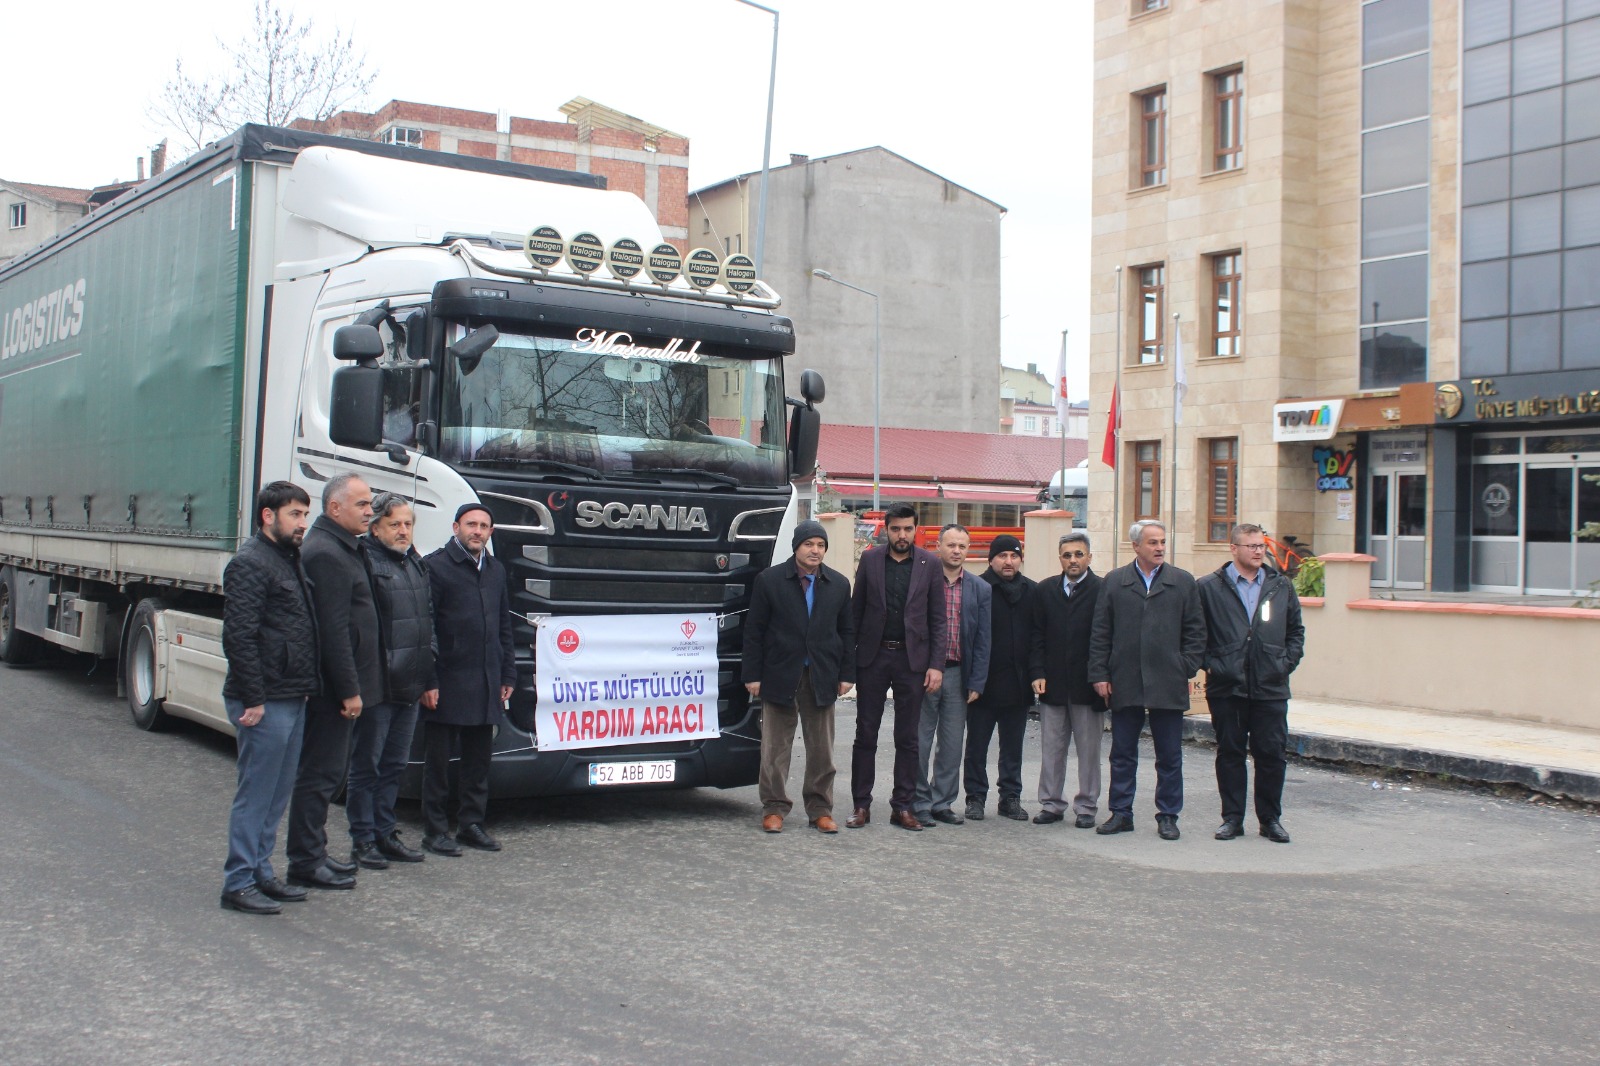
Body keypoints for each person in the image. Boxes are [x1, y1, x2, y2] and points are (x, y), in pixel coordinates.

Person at [219, 481, 318, 915]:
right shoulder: (250, 563)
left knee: (278, 793)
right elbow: (238, 636)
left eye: (304, 514)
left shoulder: (287, 558)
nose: (303, 523)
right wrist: (253, 698)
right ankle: (238, 882)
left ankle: (261, 871)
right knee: (256, 794)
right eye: (295, 514)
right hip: (263, 700)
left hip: (291, 694)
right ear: (267, 515)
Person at [285, 474, 378, 891]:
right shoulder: (326, 554)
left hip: (344, 685)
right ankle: (305, 860)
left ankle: (315, 853)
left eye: (370, 504)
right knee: (320, 774)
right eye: (361, 505)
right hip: (332, 690)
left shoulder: (345, 548)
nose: (369, 512)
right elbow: (333, 631)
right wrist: (349, 689)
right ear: (335, 508)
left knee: (327, 772)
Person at [1087, 520, 1206, 841]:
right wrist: (1100, 673)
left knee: (1169, 755)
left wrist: (1184, 666)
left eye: (1162, 542)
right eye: (1152, 542)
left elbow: (1196, 633)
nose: (1159, 548)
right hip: (1125, 679)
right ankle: (1121, 812)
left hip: (1168, 681)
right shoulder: (1115, 582)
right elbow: (1100, 633)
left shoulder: (1182, 582)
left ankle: (1168, 815)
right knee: (1123, 753)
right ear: (1136, 546)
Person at [742, 520, 856, 834]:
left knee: (822, 750)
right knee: (775, 749)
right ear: (797, 547)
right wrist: (752, 674)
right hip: (779, 674)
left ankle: (820, 809)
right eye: (809, 544)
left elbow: (847, 631)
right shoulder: (770, 580)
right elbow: (754, 631)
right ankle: (774, 808)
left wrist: (847, 673)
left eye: (820, 545)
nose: (815, 551)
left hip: (822, 676)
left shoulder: (839, 584)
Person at [1196, 523, 1306, 843]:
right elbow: (1195, 635)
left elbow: (1295, 632)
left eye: (1261, 546)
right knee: (1230, 753)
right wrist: (1214, 665)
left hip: (1270, 685)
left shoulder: (1279, 585)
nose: (1259, 551)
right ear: (1234, 549)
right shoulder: (1208, 588)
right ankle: (1232, 818)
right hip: (1227, 687)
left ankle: (1270, 819)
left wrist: (1283, 665)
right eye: (1251, 546)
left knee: (1271, 754)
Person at [347, 492, 438, 868]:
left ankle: (385, 832)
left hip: (410, 684)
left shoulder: (414, 563)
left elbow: (427, 619)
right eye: (395, 524)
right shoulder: (365, 561)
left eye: (408, 524)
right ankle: (362, 839)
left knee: (394, 766)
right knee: (366, 766)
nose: (403, 531)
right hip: (378, 685)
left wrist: (428, 667)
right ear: (376, 526)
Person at [421, 503, 516, 856]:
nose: (477, 531)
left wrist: (508, 672)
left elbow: (503, 626)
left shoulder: (494, 569)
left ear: (491, 532)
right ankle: (434, 830)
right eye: (471, 524)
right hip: (446, 680)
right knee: (439, 764)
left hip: (487, 679)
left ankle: (471, 824)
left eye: (484, 526)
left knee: (478, 761)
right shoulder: (435, 567)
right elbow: (425, 627)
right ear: (456, 527)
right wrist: (428, 680)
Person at [848, 504, 948, 831]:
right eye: (895, 529)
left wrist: (936, 665)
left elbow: (937, 620)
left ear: (915, 530)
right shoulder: (870, 560)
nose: (901, 535)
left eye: (907, 529)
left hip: (912, 661)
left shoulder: (930, 564)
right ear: (886, 529)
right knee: (866, 733)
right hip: (874, 658)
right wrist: (850, 662)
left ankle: (902, 806)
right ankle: (861, 805)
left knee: (908, 737)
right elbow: (856, 611)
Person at [1028, 532, 1108, 829]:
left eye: (1078, 554)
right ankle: (1051, 803)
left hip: (1089, 685)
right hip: (1053, 683)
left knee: (1089, 751)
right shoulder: (1046, 590)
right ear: (1060, 558)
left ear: (1089, 557)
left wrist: (1103, 676)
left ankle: (1086, 806)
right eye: (1067, 555)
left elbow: (1107, 637)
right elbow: (1036, 634)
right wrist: (1036, 672)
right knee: (1052, 748)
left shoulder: (1103, 589)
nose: (1073, 560)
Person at [913, 524, 990, 826]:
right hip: (924, 673)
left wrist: (978, 681)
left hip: (960, 674)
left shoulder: (980, 589)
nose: (957, 551)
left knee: (952, 743)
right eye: (951, 545)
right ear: (938, 547)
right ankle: (918, 801)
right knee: (919, 740)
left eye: (962, 546)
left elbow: (984, 639)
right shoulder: (922, 583)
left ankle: (941, 802)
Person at [964, 534, 1035, 822]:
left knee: (1013, 747)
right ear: (991, 559)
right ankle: (975, 797)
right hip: (983, 685)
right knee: (977, 746)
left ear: (1020, 559)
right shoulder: (978, 588)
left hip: (1018, 685)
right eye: (1002, 556)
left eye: (1014, 555)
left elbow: (1038, 636)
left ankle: (1010, 797)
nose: (1008, 561)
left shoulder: (1032, 591)